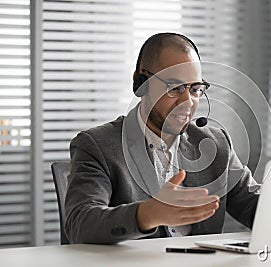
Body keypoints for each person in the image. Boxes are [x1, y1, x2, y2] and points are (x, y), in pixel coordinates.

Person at [65, 32, 259, 244]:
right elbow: (80, 223)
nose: (188, 101)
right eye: (175, 88)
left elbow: (253, 205)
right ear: (141, 84)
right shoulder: (97, 146)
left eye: (195, 89)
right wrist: (147, 214)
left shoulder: (216, 144)